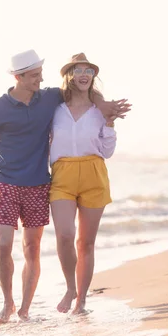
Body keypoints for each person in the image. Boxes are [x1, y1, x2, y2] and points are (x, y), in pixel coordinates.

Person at [0, 50, 130, 324]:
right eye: (34, 76)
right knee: (22, 241)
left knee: (49, 246)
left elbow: (86, 93)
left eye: (40, 74)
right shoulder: (16, 105)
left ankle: (39, 307)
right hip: (23, 180)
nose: (40, 79)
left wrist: (105, 110)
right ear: (18, 77)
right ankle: (12, 301)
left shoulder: (54, 99)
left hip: (48, 182)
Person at [50, 53, 120, 315]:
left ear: (93, 77)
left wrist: (110, 123)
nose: (83, 75)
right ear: (69, 75)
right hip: (62, 175)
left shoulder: (99, 110)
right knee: (65, 236)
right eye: (78, 70)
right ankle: (70, 288)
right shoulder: (55, 109)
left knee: (85, 243)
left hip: (94, 173)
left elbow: (107, 150)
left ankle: (81, 301)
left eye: (88, 71)